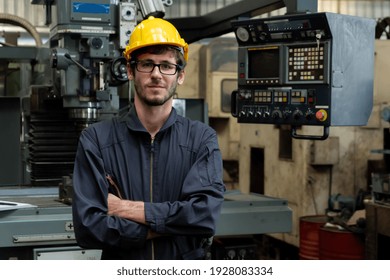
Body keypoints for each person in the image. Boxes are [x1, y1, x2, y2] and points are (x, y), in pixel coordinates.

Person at [71, 16, 226, 260]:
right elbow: (88, 228)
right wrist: (172, 225)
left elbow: (204, 217)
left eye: (166, 65)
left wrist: (126, 209)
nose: (157, 74)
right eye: (147, 64)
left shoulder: (201, 139)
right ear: (131, 71)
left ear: (180, 75)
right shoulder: (96, 140)